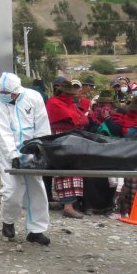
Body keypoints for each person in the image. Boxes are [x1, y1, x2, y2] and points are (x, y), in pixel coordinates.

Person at [0, 72, 53, 245]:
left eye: (9, 94)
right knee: (12, 189)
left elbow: (42, 125)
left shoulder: (33, 97)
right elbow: (1, 131)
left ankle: (36, 230)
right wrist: (13, 155)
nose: (6, 97)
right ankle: (8, 221)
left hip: (31, 149)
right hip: (6, 151)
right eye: (2, 94)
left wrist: (41, 150)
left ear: (18, 90)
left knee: (36, 188)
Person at [45, 77, 87, 219]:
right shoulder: (53, 103)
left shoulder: (68, 104)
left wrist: (74, 118)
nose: (70, 96)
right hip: (60, 139)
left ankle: (69, 204)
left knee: (74, 171)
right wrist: (74, 119)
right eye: (68, 94)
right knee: (65, 172)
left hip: (71, 139)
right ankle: (68, 206)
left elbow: (83, 119)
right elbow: (76, 118)